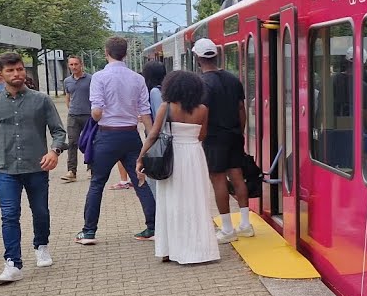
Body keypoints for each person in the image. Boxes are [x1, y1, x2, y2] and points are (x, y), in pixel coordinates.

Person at [0, 52, 67, 284]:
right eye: (11, 70)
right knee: (9, 215)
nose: (17, 74)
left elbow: (59, 131)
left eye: (20, 69)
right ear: (0, 73)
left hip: (36, 167)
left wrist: (55, 151)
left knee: (40, 211)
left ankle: (41, 244)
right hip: (5, 169)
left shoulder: (41, 100)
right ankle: (13, 263)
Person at [75, 37, 156, 245]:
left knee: (97, 183)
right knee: (139, 181)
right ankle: (153, 226)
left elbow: (96, 112)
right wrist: (150, 139)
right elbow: (145, 112)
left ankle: (89, 232)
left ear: (106, 52)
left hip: (107, 135)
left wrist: (97, 114)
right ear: (126, 54)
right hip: (131, 136)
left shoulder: (100, 77)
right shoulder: (137, 79)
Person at [136, 70, 220, 265]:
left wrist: (141, 158)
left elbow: (153, 135)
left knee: (172, 202)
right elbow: (202, 136)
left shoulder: (166, 107)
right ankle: (199, 250)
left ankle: (170, 249)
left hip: (173, 157)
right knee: (196, 201)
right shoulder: (203, 109)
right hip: (194, 155)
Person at [192, 38, 253, 242]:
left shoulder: (201, 83)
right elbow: (241, 108)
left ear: (198, 58)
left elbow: (203, 113)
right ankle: (245, 224)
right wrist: (240, 131)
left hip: (214, 138)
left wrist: (201, 136)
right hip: (234, 134)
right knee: (237, 176)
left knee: (218, 179)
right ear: (216, 55)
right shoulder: (233, 79)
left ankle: (227, 229)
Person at [62, 55, 92, 182]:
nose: (74, 67)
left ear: (81, 65)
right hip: (73, 116)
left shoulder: (91, 79)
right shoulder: (67, 81)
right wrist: (71, 109)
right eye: (71, 64)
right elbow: (68, 97)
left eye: (76, 64)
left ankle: (91, 168)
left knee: (90, 142)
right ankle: (71, 171)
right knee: (72, 143)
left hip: (89, 116)